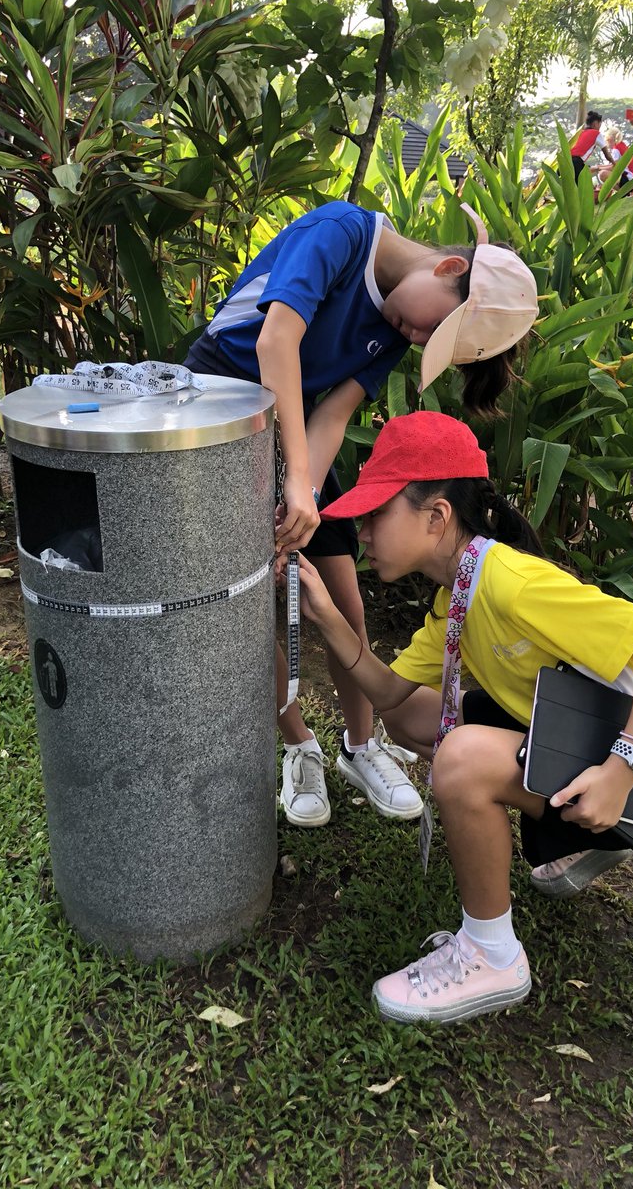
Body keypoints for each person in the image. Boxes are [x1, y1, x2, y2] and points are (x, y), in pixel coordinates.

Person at [295, 411, 633, 1025]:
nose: (362, 532)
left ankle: (492, 954)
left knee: (461, 757)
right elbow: (390, 693)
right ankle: (567, 838)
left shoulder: (510, 583)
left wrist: (623, 768)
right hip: (574, 749)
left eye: (376, 513)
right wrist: (325, 615)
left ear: (436, 516)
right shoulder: (456, 594)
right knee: (417, 721)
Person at [184, 202, 538, 829]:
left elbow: (333, 414)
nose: (420, 340)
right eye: (436, 331)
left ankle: (360, 744)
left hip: (295, 427)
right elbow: (276, 341)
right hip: (216, 409)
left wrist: (305, 493)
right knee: (244, 602)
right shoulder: (340, 233)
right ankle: (299, 746)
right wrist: (295, 477)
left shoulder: (399, 323)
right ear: (448, 266)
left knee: (341, 595)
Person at [569, 111, 614, 181]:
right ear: (595, 124)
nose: (599, 127)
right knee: (581, 188)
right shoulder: (596, 133)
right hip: (576, 162)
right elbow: (607, 155)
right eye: (600, 125)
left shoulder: (581, 133)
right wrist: (614, 163)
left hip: (567, 160)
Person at [596, 127, 633, 191]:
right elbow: (614, 165)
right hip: (632, 177)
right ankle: (625, 193)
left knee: (602, 174)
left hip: (628, 178)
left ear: (609, 139)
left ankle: (623, 193)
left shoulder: (616, 149)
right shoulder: (621, 145)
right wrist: (598, 167)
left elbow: (613, 167)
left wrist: (597, 168)